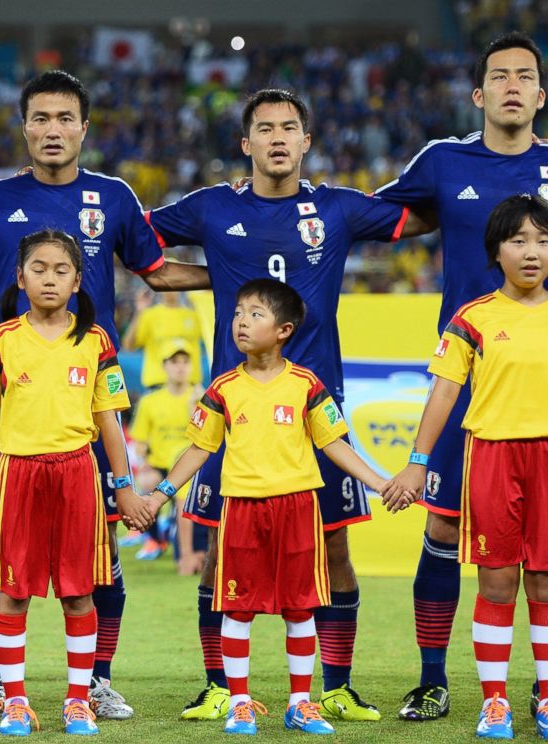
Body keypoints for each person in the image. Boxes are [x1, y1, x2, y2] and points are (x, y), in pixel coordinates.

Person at [0, 69, 208, 720]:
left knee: (100, 562)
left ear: (84, 129)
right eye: (40, 118)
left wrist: (227, 279)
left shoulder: (115, 197)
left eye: (65, 118)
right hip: (14, 406)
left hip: (88, 400)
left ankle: (94, 680)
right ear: (24, 127)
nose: (52, 130)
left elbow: (157, 271)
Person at [145, 88, 429, 723]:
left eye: (290, 128)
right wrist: (214, 275)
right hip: (234, 410)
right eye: (265, 128)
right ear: (245, 144)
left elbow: (423, 218)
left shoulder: (339, 209)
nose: (278, 137)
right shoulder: (212, 208)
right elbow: (138, 245)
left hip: (316, 405)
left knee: (334, 553)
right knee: (218, 550)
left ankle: (334, 687)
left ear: (307, 141)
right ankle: (220, 686)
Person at [145, 279, 411, 737]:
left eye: (255, 314)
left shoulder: (307, 384)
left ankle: (300, 704)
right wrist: (159, 494)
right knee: (238, 609)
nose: (242, 322)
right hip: (242, 510)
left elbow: (336, 446)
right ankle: (241, 702)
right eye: (237, 313)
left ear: (284, 329)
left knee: (299, 610)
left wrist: (381, 483)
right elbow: (197, 450)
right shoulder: (223, 387)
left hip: (298, 510)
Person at [374, 30, 548, 721]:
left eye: (525, 75)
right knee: (443, 533)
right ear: (479, 94)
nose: (512, 84)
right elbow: (376, 216)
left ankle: (538, 687)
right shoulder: (443, 162)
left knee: (539, 558)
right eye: (499, 76)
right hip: (469, 378)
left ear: (541, 94)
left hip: (538, 384)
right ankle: (434, 678)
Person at [0, 229, 153, 736]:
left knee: (79, 594)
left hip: (78, 474)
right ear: (19, 277)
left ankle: (77, 702)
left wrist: (124, 486)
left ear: (77, 280)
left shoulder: (95, 340)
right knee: (13, 593)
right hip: (16, 475)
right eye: (39, 269)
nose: (49, 278)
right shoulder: (2, 340)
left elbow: (109, 423)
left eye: (60, 270)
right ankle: (15, 701)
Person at [127, 339, 205, 573]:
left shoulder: (202, 398)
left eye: (185, 361)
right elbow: (138, 442)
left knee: (186, 496)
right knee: (146, 483)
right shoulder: (150, 401)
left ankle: (186, 551)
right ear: (164, 366)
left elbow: (205, 440)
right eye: (174, 361)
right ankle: (158, 537)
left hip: (191, 467)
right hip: (160, 466)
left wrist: (195, 409)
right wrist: (145, 463)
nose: (180, 367)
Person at [122, 290, 204, 391]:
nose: (169, 290)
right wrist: (139, 312)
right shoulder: (149, 315)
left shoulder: (194, 315)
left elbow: (213, 341)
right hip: (158, 385)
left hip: (190, 386)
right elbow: (128, 346)